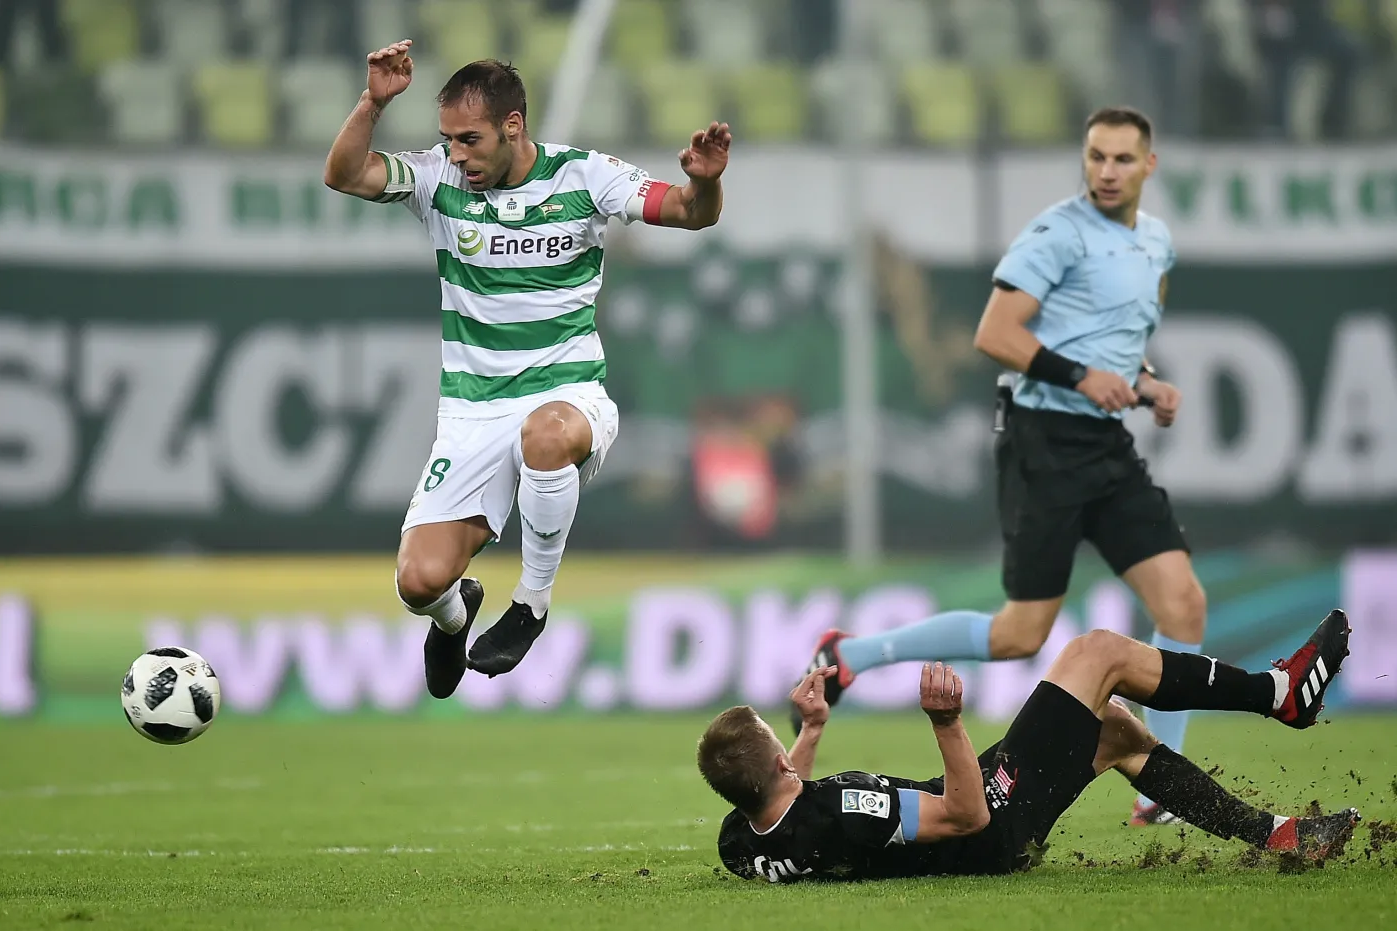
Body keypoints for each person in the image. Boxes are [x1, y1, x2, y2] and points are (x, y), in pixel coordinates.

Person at [792, 106, 1198, 826]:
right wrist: (1081, 379)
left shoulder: (1156, 244)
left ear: (1149, 166)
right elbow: (995, 332)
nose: (1106, 171)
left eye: (1122, 160)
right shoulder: (1056, 233)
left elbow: (1111, 338)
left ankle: (1156, 787)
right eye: (1096, 157)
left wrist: (1145, 381)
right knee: (1020, 634)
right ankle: (853, 651)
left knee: (1183, 604)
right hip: (1044, 440)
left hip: (1106, 444)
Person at [324, 42, 730, 693]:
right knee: (419, 582)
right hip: (472, 411)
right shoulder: (439, 181)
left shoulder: (585, 176)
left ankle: (530, 605)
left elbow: (687, 211)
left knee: (545, 434)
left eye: (470, 138)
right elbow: (345, 174)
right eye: (447, 139)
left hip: (568, 395)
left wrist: (705, 181)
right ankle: (455, 620)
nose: (457, 153)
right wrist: (374, 102)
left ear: (513, 126)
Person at [707, 610, 1356, 883]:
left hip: (973, 826)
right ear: (780, 762)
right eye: (781, 737)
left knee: (1116, 732)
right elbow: (966, 815)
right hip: (989, 824)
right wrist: (947, 722)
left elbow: (790, 813)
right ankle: (1279, 692)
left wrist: (812, 730)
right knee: (1097, 654)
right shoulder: (849, 807)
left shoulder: (742, 842)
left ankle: (1278, 835)